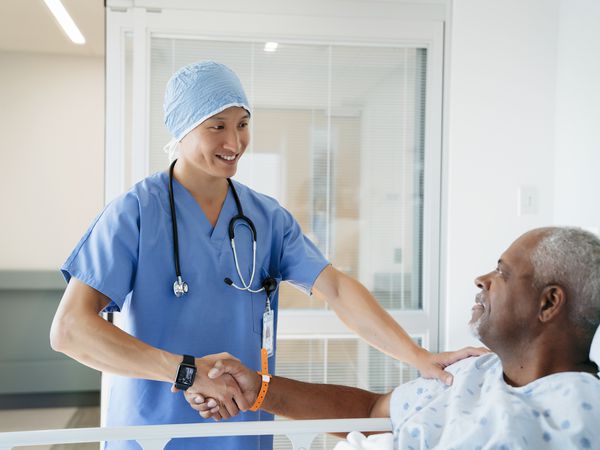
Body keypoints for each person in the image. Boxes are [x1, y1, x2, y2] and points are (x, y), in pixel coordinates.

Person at [49, 60, 482, 450]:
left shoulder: (265, 218)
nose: (234, 141)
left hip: (241, 426)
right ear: (181, 129)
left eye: (242, 124)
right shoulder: (135, 214)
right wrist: (186, 372)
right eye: (216, 126)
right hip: (153, 432)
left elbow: (336, 289)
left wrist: (418, 357)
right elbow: (70, 329)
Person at [191, 227, 600, 449]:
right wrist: (258, 389)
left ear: (549, 303)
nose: (481, 279)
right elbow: (371, 412)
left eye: (502, 272)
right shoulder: (471, 371)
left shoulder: (582, 413)